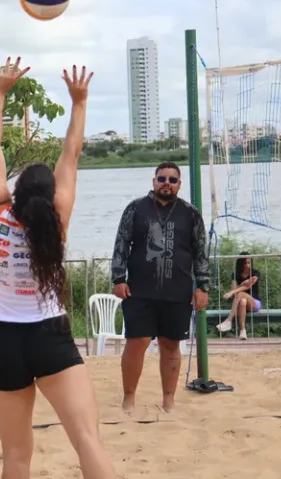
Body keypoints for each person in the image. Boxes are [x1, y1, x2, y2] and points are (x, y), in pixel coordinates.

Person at [0, 57, 114, 479]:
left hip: (1, 338)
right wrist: (80, 102)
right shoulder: (58, 220)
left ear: (13, 193)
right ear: (51, 195)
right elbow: (71, 155)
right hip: (48, 334)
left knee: (16, 456)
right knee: (87, 440)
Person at [112, 161, 209, 414]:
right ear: (154, 181)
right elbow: (121, 243)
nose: (167, 183)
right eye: (162, 178)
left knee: (170, 345)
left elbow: (201, 252)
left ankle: (168, 400)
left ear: (179, 184)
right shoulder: (135, 208)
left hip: (177, 291)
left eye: (173, 180)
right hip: (139, 289)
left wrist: (203, 286)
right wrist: (118, 278)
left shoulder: (191, 213)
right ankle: (129, 398)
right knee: (137, 342)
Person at [216, 252, 260, 340]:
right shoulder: (235, 274)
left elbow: (248, 286)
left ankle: (229, 320)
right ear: (240, 264)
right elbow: (235, 291)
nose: (247, 265)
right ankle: (243, 331)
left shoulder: (255, 273)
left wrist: (232, 292)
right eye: (245, 263)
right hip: (241, 303)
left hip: (254, 302)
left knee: (241, 294)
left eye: (249, 262)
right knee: (242, 300)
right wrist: (241, 284)